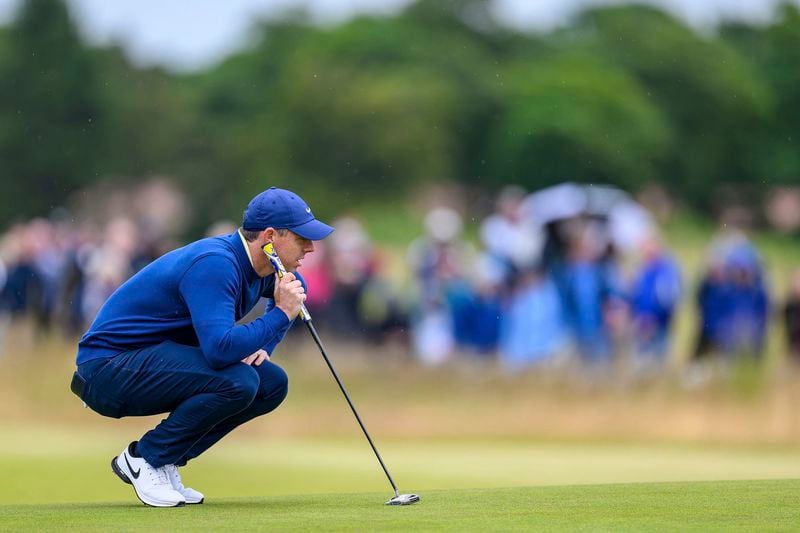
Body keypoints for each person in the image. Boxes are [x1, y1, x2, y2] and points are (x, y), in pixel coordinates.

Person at [70, 187, 333, 507]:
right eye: (301, 238)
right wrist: (279, 316)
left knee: (271, 384)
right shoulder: (217, 264)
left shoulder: (260, 267)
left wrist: (266, 344)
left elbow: (297, 287)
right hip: (107, 368)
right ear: (269, 237)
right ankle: (145, 459)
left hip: (146, 360)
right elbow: (219, 349)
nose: (310, 247)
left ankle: (166, 458)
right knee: (240, 381)